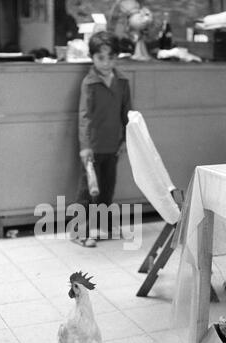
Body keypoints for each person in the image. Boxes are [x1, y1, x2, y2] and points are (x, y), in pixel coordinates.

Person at [74, 30, 132, 248]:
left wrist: (126, 139)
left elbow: (127, 112)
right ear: (92, 57)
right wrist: (85, 146)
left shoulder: (122, 81)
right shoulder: (89, 83)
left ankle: (102, 227)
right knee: (88, 191)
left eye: (111, 57)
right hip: (93, 147)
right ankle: (80, 231)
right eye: (101, 57)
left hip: (113, 144)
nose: (106, 63)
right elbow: (84, 117)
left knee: (107, 188)